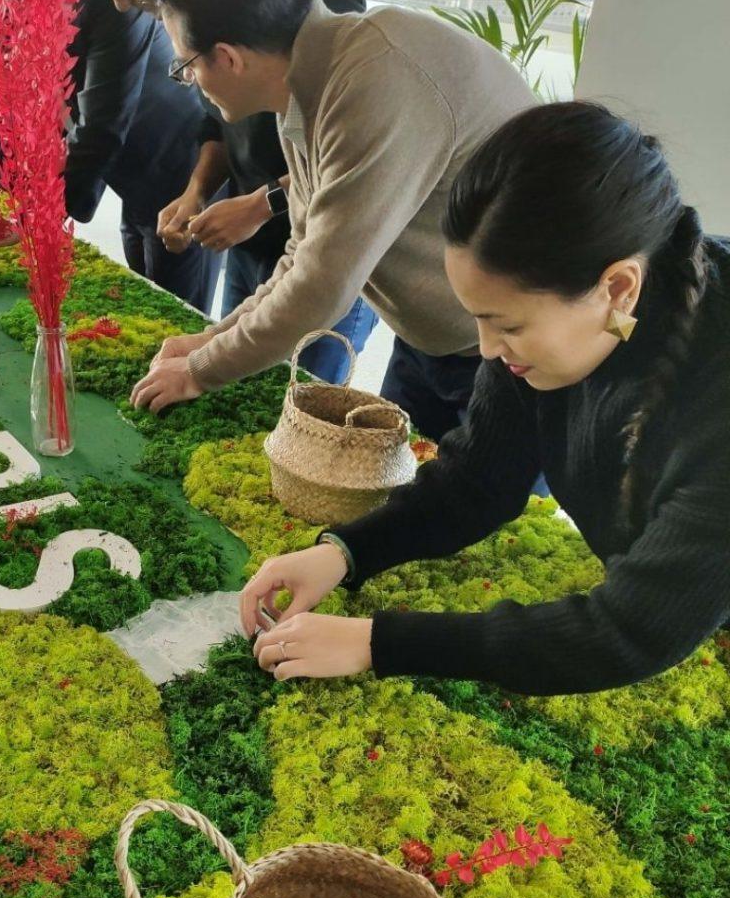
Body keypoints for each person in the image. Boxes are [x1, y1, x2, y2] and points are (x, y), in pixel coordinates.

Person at [240, 101, 730, 697]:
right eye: (476, 318)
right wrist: (344, 552)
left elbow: (628, 630)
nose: (487, 349)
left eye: (508, 325)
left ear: (618, 288)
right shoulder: (549, 330)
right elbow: (478, 480)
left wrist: (377, 642)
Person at [129, 0, 535, 424]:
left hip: (517, 354)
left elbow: (322, 286)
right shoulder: (308, 86)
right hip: (437, 343)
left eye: (186, 67)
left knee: (475, 496)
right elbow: (302, 254)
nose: (191, 81)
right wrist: (210, 341)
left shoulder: (372, 81)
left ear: (227, 58)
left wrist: (200, 372)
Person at [92, 0, 376, 383]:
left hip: (330, 245)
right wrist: (198, 191)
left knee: (295, 402)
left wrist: (263, 205)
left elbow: (350, 154)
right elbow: (217, 120)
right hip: (259, 243)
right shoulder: (193, 4)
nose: (120, 2)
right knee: (243, 379)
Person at [0, 0, 221, 312]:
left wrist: (34, 216)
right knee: (143, 291)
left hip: (178, 165)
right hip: (120, 168)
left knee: (174, 310)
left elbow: (103, 124)